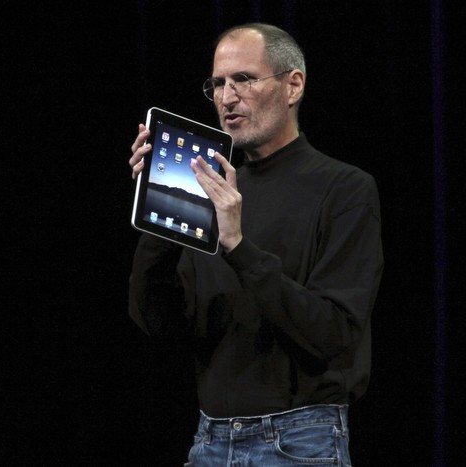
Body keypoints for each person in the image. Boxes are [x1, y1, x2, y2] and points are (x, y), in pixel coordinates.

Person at [127, 22, 383, 466]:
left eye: (243, 79)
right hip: (210, 440)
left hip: (299, 440)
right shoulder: (212, 191)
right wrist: (156, 214)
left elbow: (335, 334)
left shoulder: (345, 188)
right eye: (218, 84)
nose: (227, 98)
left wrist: (238, 245)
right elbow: (158, 324)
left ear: (293, 85)